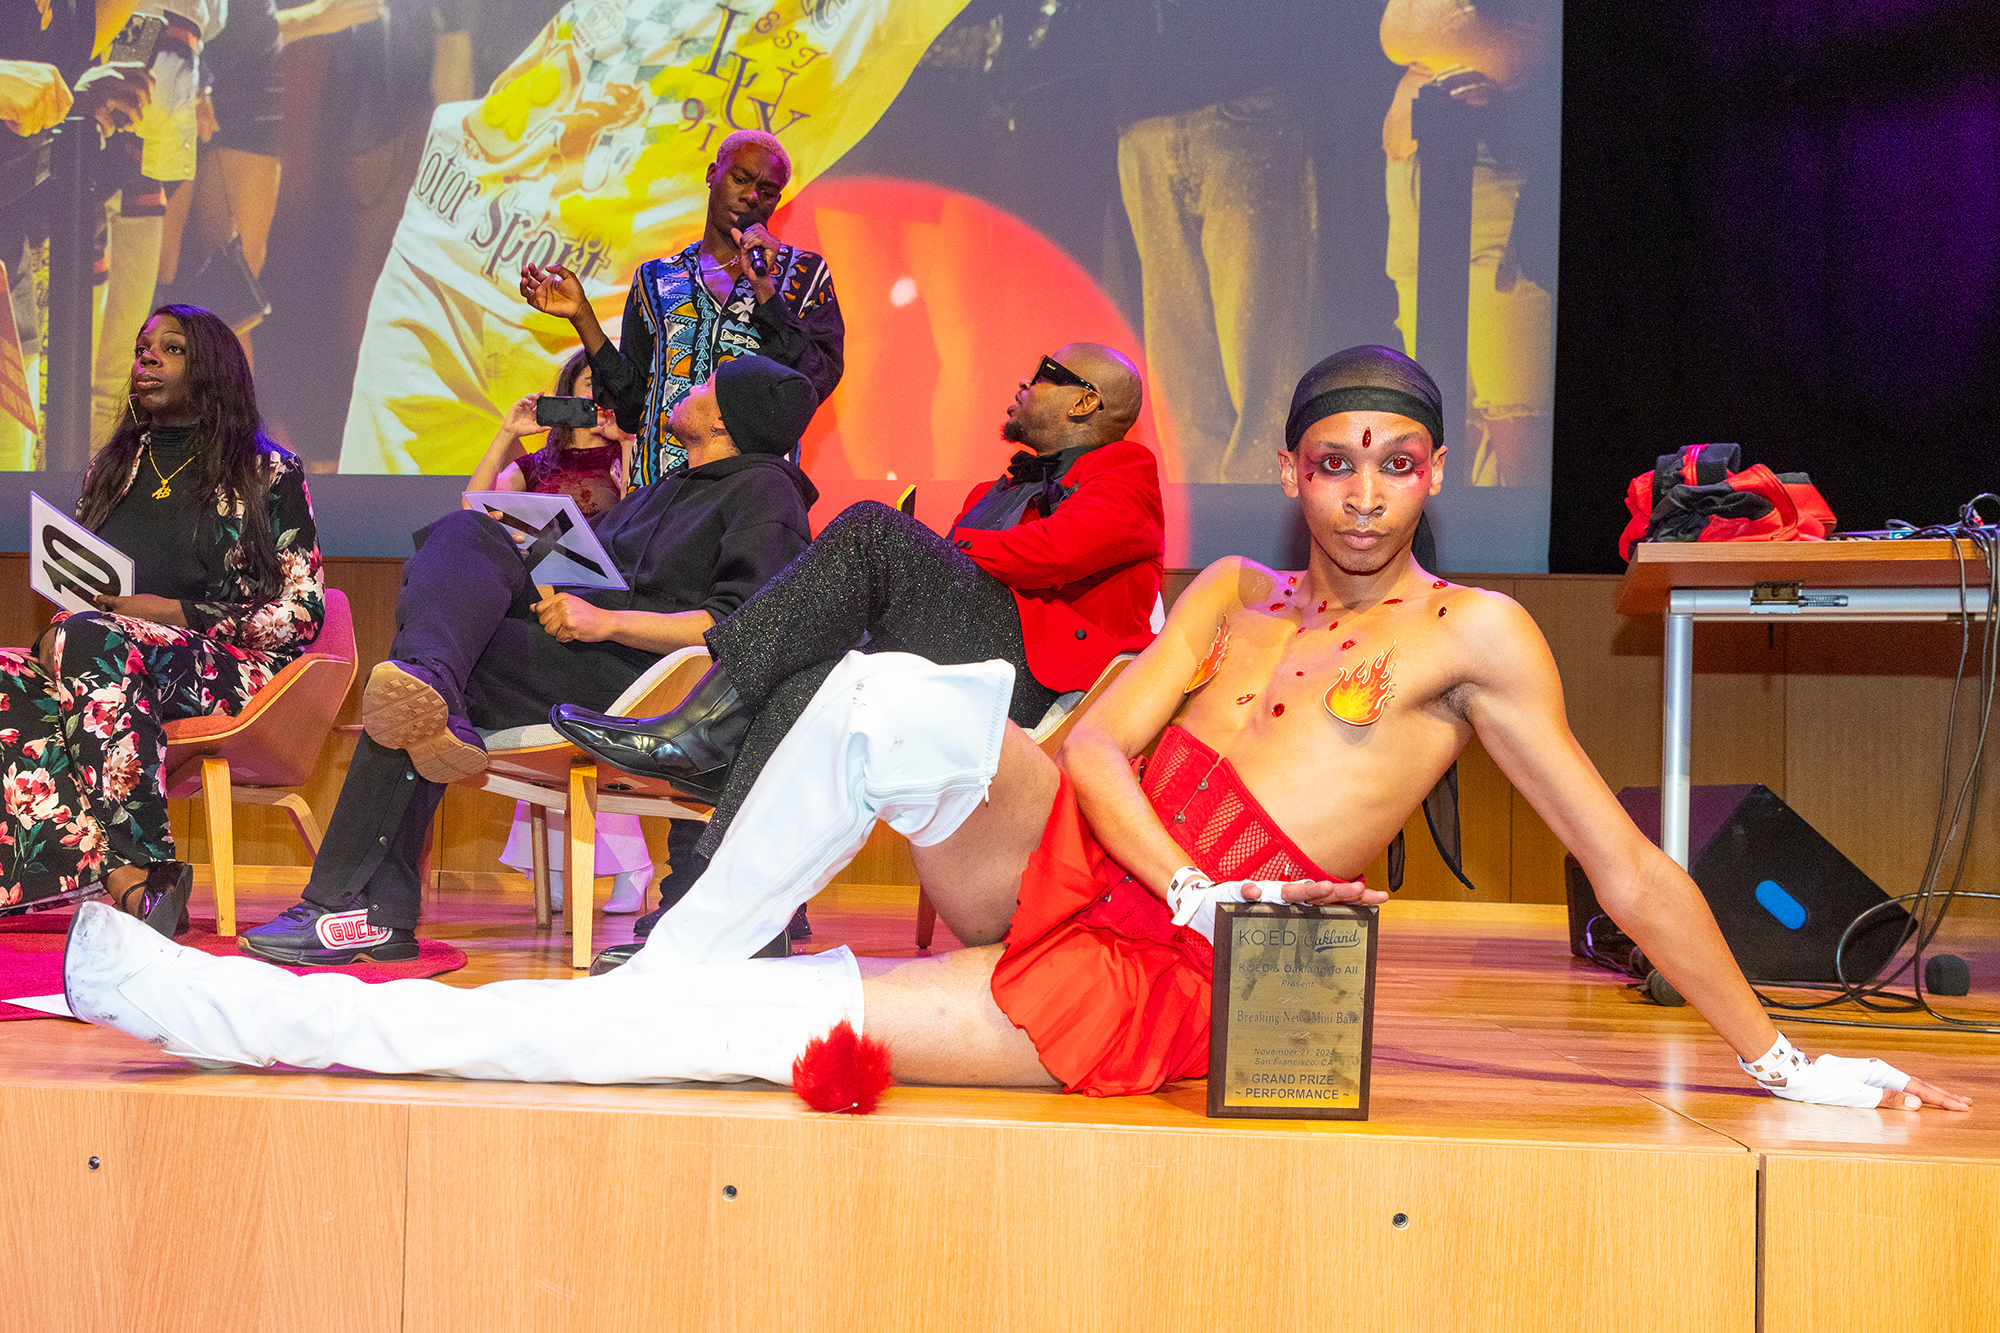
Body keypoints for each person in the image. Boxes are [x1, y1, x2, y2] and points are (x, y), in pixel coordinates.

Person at [62, 345, 1969, 1114]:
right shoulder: (1237, 596)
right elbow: (1113, 751)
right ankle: (686, 923)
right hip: (1115, 867)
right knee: (907, 688)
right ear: (1297, 471)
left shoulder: (1479, 639)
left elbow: (1626, 857)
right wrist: (1183, 873)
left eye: (1397, 462)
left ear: (1438, 473)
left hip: (1167, 984)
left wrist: (1786, 1054)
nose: (1364, 491)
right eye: (1333, 460)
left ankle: (260, 1007)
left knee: (726, 1030)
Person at [552, 341, 1163, 955]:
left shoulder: (1126, 470)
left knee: (872, 528)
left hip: (1031, 677)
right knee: (812, 684)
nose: (1024, 381)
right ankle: (733, 931)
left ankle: (703, 725)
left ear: (1087, 400)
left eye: (1043, 374)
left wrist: (938, 552)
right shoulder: (994, 488)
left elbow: (1053, 553)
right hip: (968, 658)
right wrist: (933, 556)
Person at [238, 355, 819, 965]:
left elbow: (741, 624)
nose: (690, 386)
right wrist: (546, 569)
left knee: (429, 682)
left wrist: (608, 619)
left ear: (725, 416)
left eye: (705, 384)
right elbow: (592, 573)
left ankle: (359, 910)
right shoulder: (669, 489)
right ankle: (429, 693)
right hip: (577, 649)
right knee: (464, 544)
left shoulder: (765, 492)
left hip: (644, 684)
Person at [0, 303, 323, 929]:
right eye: (143, 347)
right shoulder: (112, 470)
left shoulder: (268, 472)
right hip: (111, 659)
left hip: (233, 670)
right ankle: (109, 878)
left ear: (210, 370)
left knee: (94, 642)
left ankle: (146, 866)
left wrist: (174, 612)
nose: (145, 357)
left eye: (169, 349)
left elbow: (302, 613)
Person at [519, 128, 844, 488]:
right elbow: (630, 408)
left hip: (749, 496)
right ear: (711, 175)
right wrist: (583, 316)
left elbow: (815, 380)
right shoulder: (656, 278)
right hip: (659, 491)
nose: (752, 196)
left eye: (767, 192)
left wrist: (764, 286)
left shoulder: (804, 276)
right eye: (740, 179)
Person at [466, 346, 652, 915]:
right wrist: (508, 432)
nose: (595, 398)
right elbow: (476, 506)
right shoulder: (537, 465)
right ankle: (553, 864)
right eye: (586, 385)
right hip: (546, 604)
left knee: (593, 733)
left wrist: (627, 443)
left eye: (606, 388)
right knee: (545, 729)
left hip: (610, 611)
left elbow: (652, 515)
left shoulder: (630, 457)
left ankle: (631, 866)